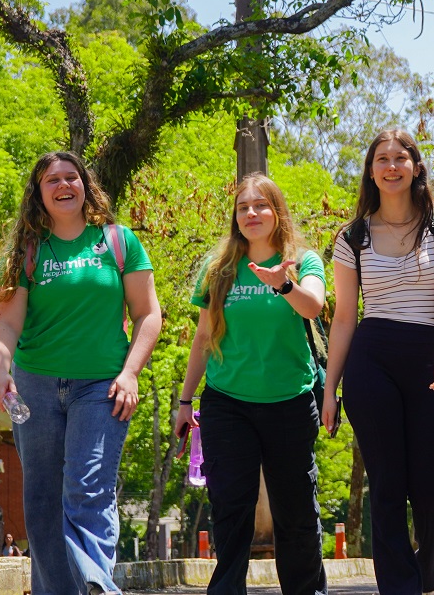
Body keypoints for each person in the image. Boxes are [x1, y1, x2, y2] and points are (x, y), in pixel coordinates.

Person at [0, 151, 161, 595]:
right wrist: (0, 371)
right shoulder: (28, 251)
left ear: (86, 185)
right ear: (39, 194)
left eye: (71, 177)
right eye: (51, 180)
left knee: (87, 488)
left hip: (101, 387)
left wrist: (131, 373)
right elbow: (6, 323)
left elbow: (148, 314)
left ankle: (96, 583)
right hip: (35, 388)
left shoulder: (118, 242)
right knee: (42, 500)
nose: (63, 185)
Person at [322, 129, 434, 595]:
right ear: (371, 172)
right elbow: (344, 319)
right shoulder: (353, 235)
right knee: (386, 483)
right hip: (373, 357)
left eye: (400, 158)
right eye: (380, 159)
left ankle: (427, 580)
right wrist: (329, 388)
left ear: (416, 167)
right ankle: (399, 588)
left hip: (430, 355)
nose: (390, 165)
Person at [175, 173, 327, 595]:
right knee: (230, 510)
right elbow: (204, 338)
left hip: (291, 403)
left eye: (260, 205)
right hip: (228, 404)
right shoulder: (218, 267)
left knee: (295, 513)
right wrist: (186, 401)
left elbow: (313, 306)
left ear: (277, 212)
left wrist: (282, 283)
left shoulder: (302, 260)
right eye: (243, 207)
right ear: (235, 217)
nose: (251, 213)